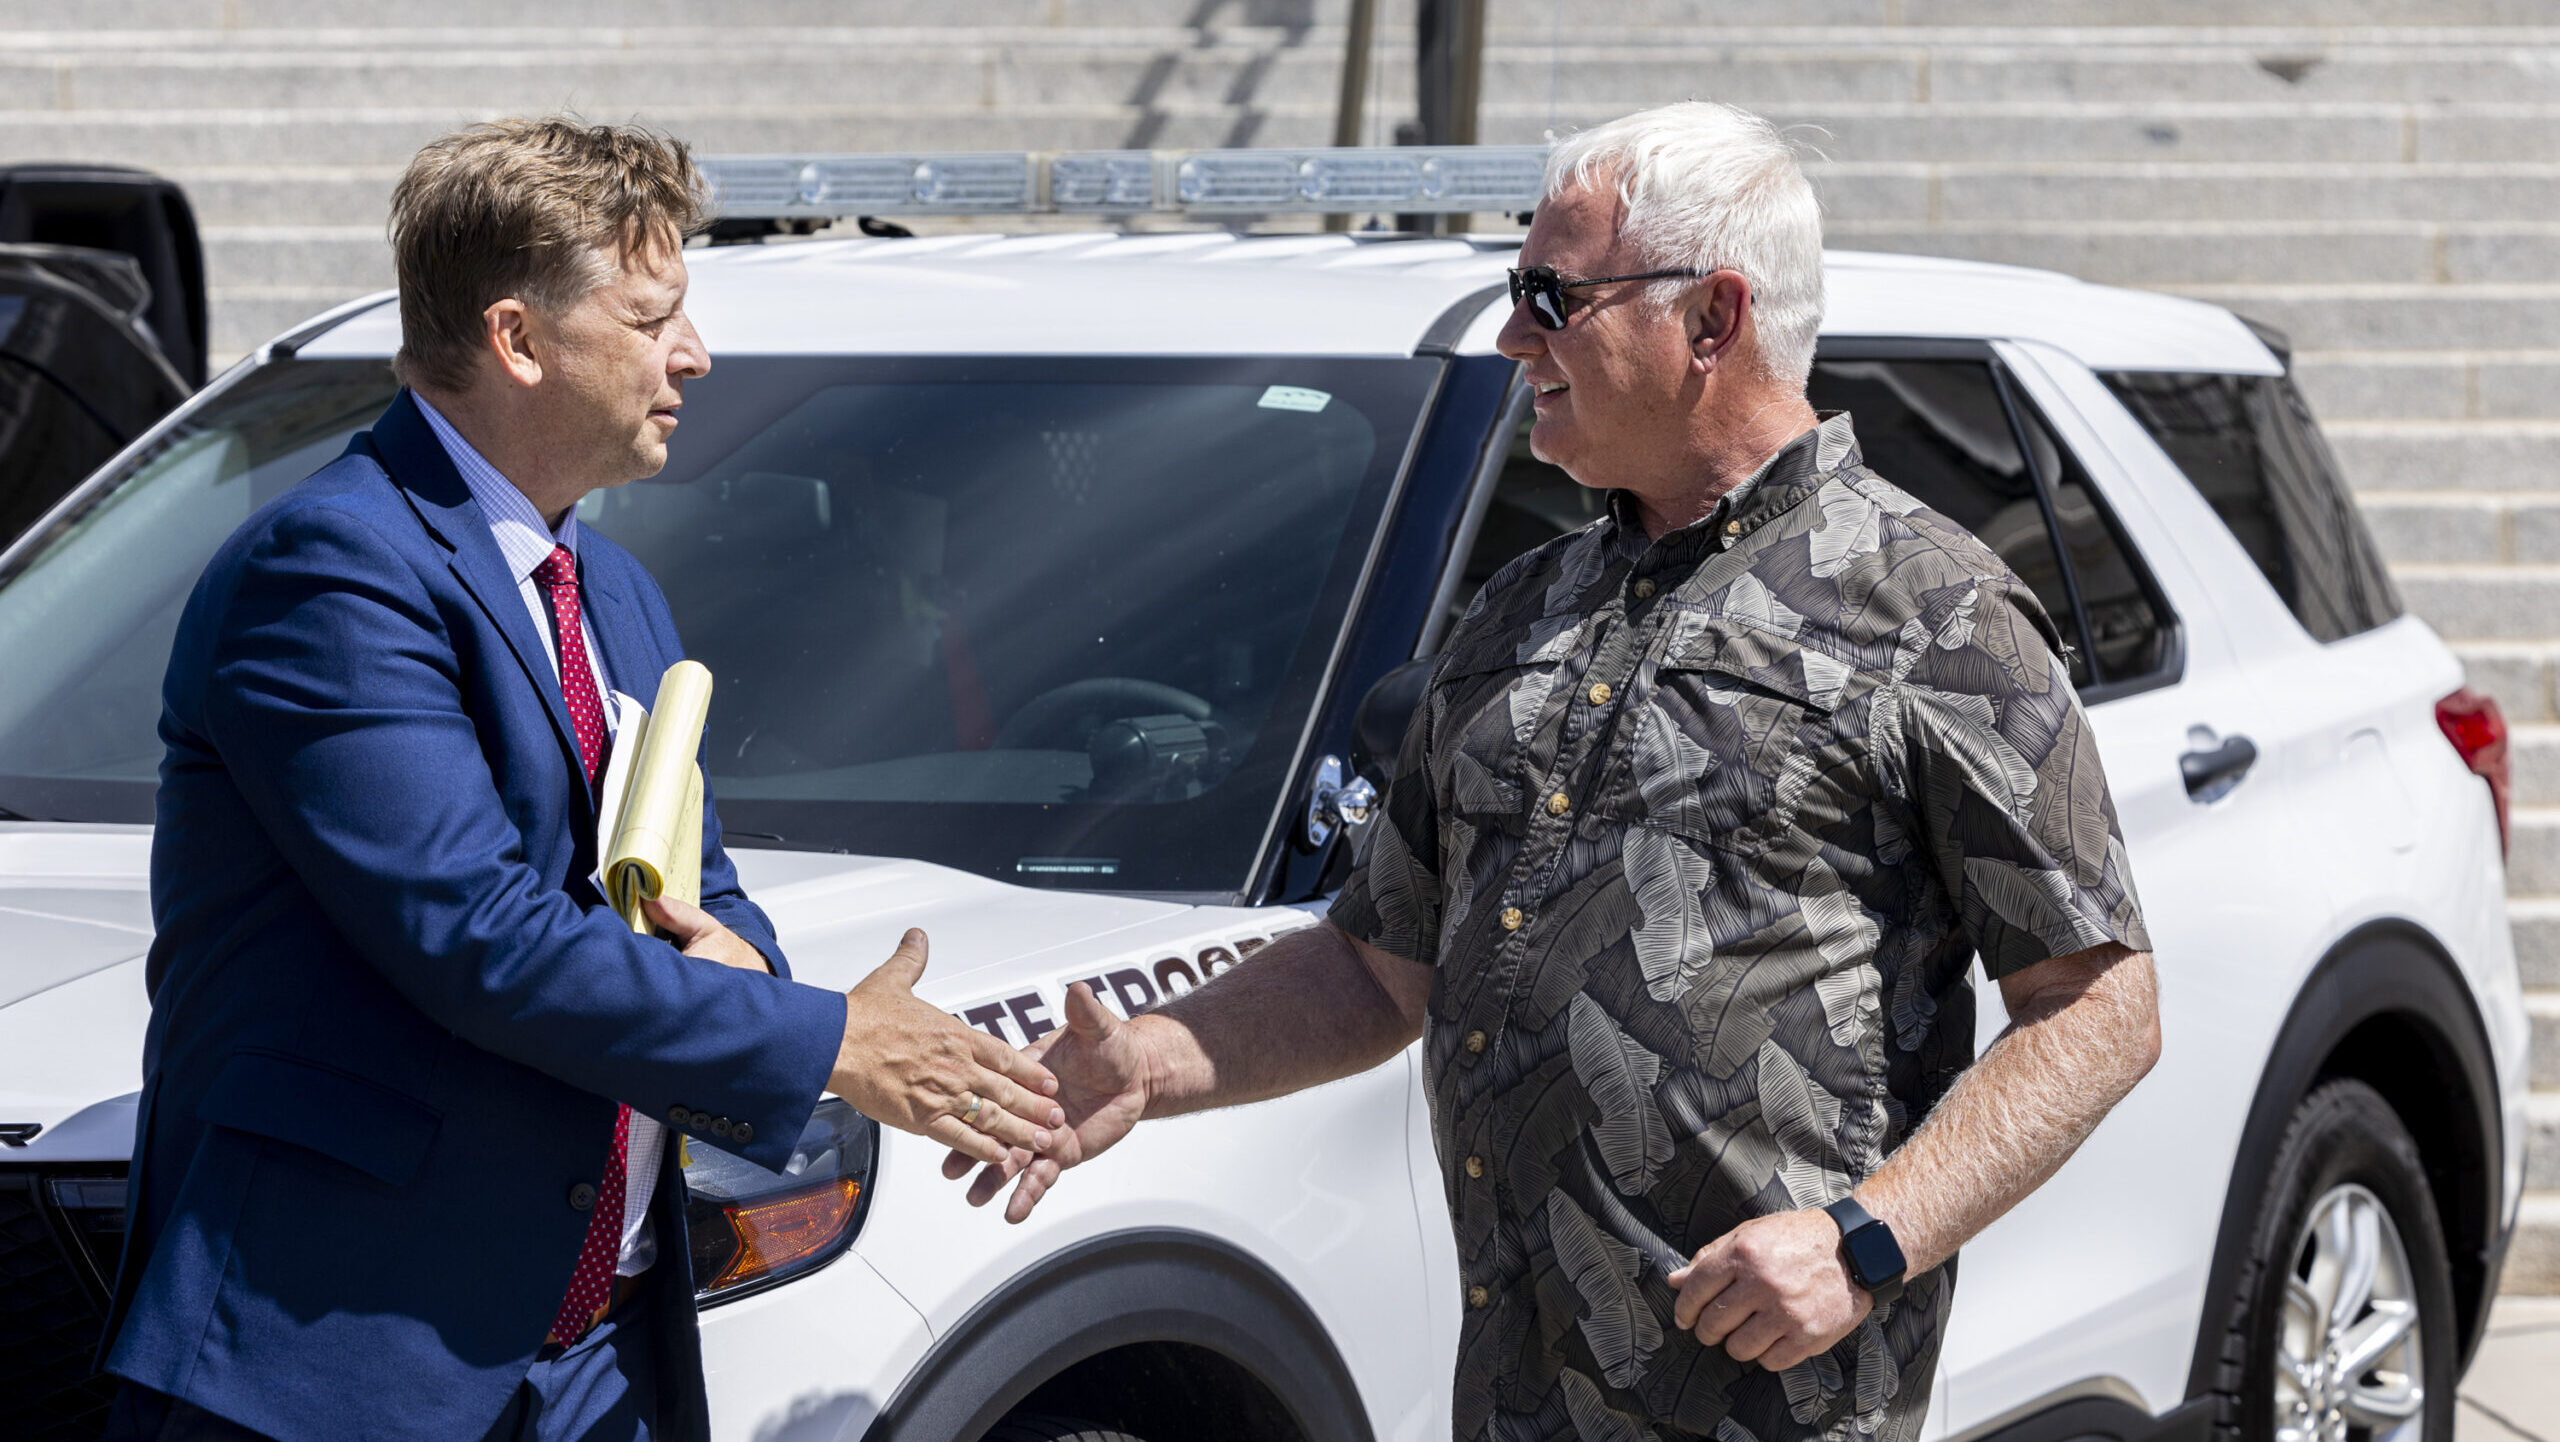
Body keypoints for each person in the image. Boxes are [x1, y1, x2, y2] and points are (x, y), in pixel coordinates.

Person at [946, 101, 2163, 1442]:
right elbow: (1377, 960)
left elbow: (2100, 1000)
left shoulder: (1934, 609)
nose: (1517, 334)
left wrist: (1868, 1241)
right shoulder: (1517, 611)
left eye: (1551, 296)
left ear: (1712, 320)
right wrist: (1162, 1054)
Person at [101, 118, 1061, 1442]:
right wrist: (832, 1040)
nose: (695, 354)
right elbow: (483, 938)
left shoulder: (611, 588)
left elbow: (695, 886)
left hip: (604, 1357)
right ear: (518, 340)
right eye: (655, 315)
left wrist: (752, 965)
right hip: (346, 1365)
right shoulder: (331, 571)